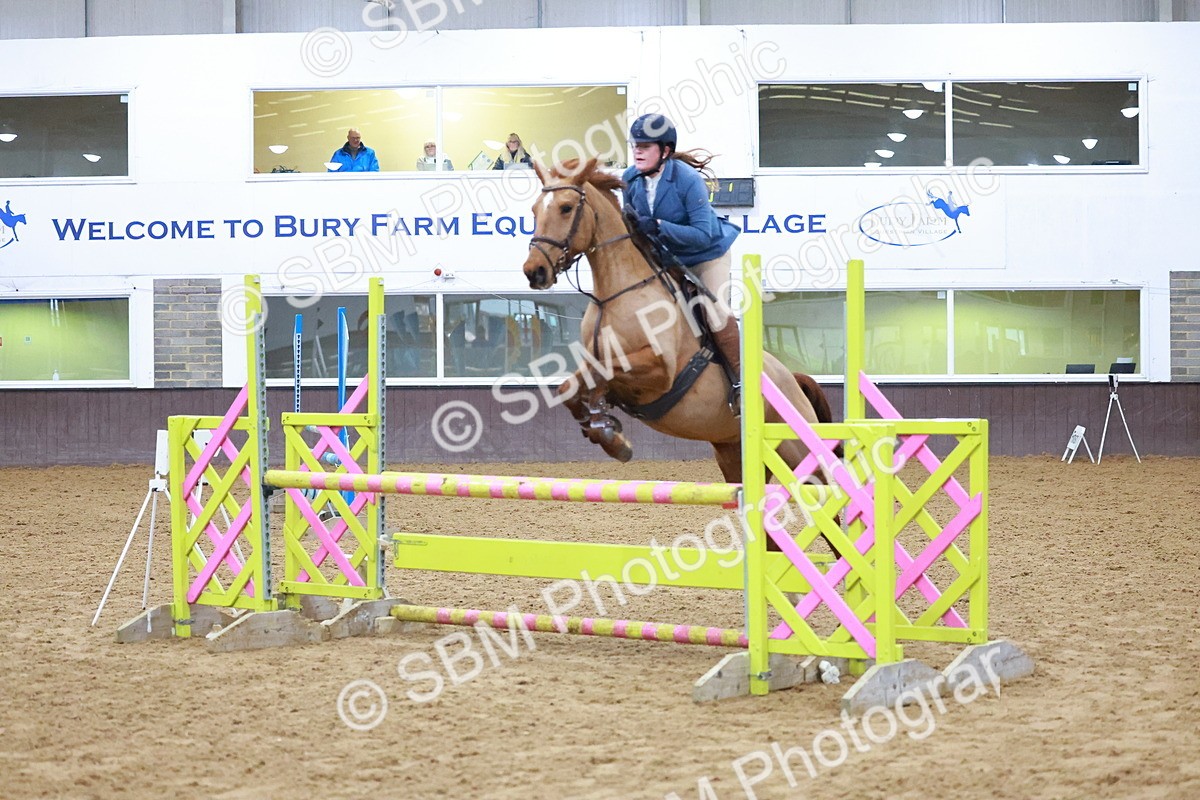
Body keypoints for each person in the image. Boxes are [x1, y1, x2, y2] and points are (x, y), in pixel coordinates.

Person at [621, 113, 743, 409]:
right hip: (667, 257)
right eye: (636, 145)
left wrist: (659, 226)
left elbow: (703, 234)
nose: (637, 151)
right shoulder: (630, 179)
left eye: (645, 147)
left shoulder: (687, 180)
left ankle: (742, 381)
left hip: (706, 255)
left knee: (714, 310)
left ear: (665, 151)